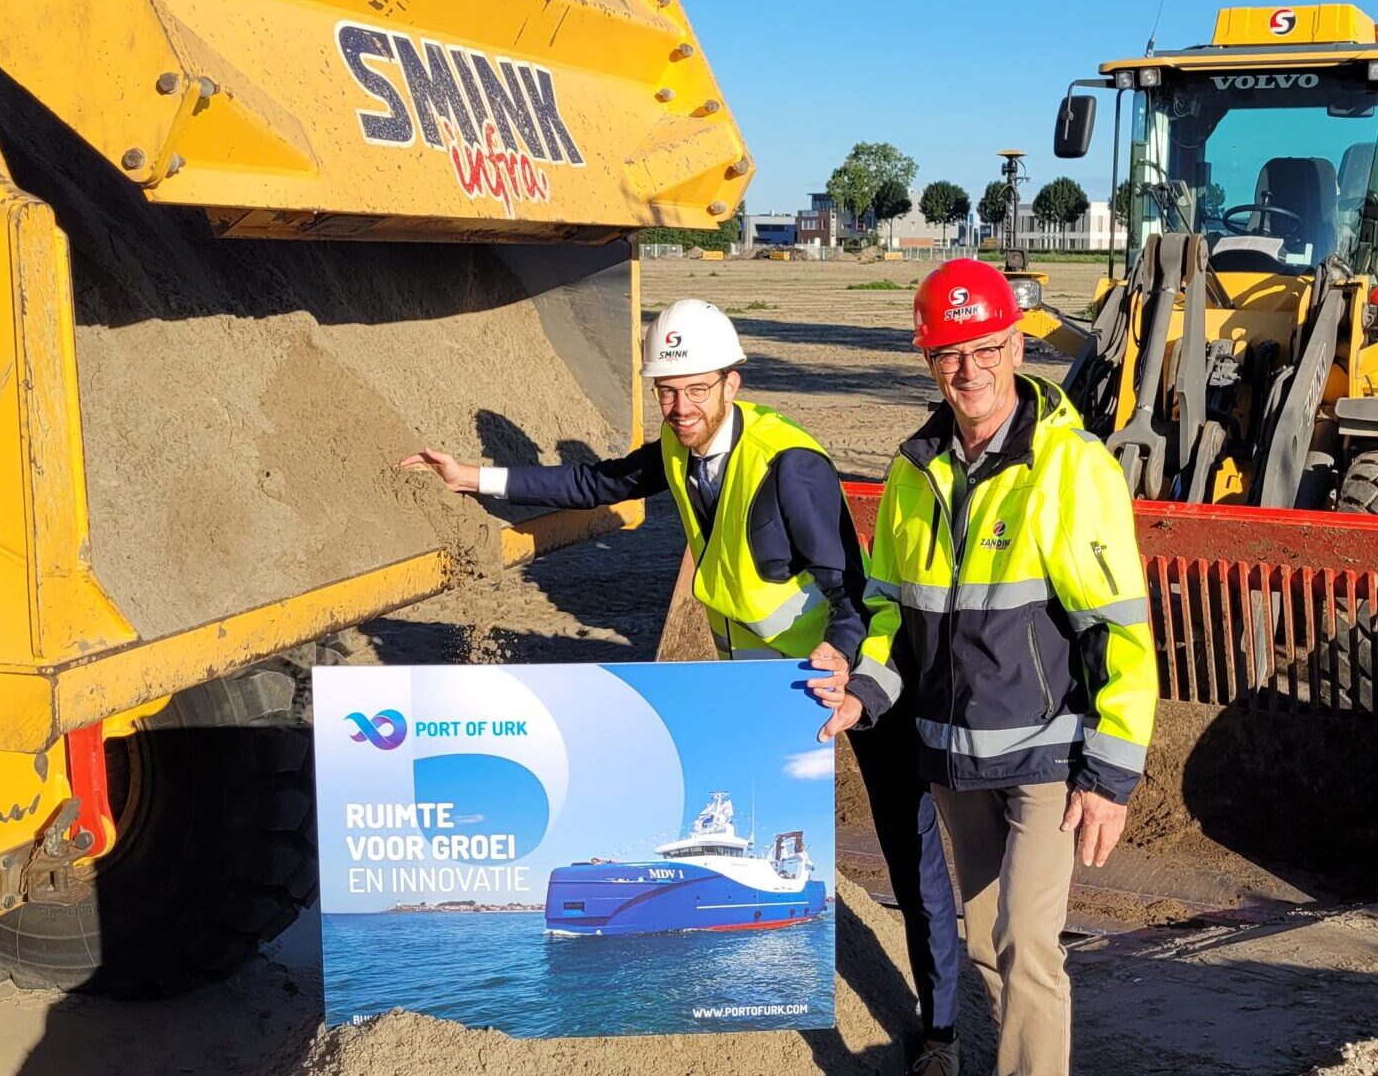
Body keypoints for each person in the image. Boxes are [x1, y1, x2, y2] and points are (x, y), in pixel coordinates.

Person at [401, 297, 966, 1073]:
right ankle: (754, 1004)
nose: (681, 407)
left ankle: (940, 1029)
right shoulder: (674, 444)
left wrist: (845, 672)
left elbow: (853, 592)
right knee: (754, 834)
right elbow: (596, 481)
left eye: (697, 389)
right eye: (667, 390)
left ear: (732, 382)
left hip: (849, 675)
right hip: (762, 689)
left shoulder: (789, 467)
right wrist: (476, 477)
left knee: (907, 845)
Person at [820, 260, 1158, 1076]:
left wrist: (1110, 775)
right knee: (981, 943)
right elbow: (893, 610)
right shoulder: (913, 472)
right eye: (948, 353)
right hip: (948, 753)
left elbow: (1117, 630)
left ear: (1015, 345)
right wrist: (864, 689)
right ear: (926, 358)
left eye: (984, 348)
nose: (968, 370)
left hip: (1045, 751)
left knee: (1026, 940)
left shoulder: (1072, 468)